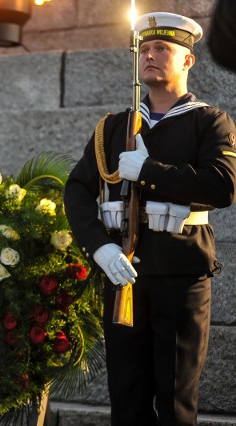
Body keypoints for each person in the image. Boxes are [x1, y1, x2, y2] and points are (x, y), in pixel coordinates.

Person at [64, 12, 236, 426]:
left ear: (187, 61)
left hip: (182, 278)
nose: (151, 56)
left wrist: (150, 172)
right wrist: (100, 247)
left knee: (176, 403)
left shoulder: (209, 122)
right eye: (145, 48)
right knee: (126, 399)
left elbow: (223, 186)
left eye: (163, 49)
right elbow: (77, 190)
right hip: (124, 277)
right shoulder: (114, 127)